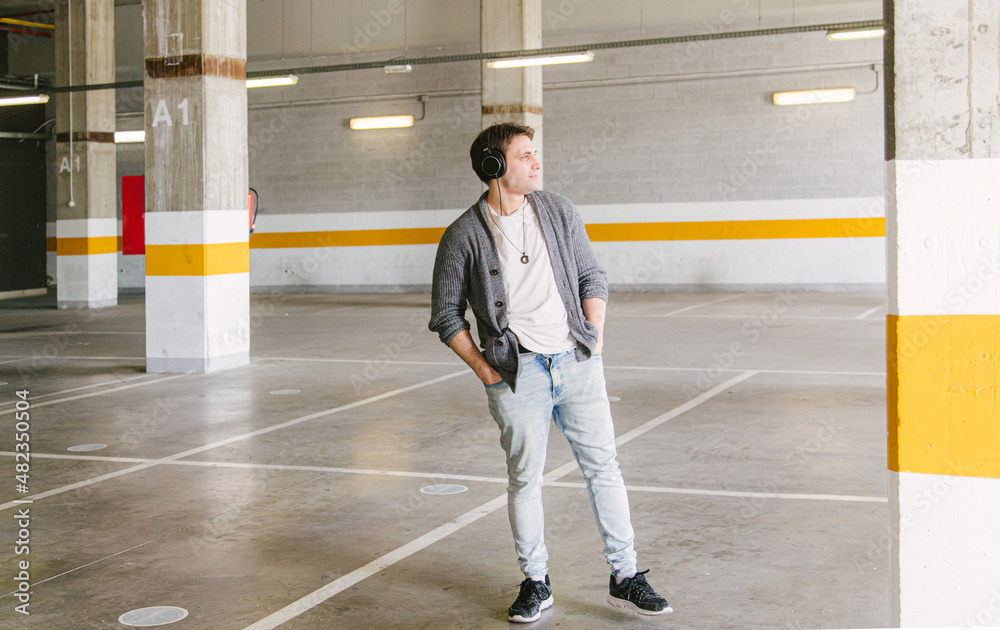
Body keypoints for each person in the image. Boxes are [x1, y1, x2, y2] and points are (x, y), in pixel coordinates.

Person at [428, 122, 671, 623]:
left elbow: (591, 273)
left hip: (577, 363)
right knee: (525, 479)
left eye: (535, 153)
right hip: (518, 377)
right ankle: (536, 582)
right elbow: (445, 314)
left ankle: (625, 576)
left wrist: (595, 333)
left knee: (604, 468)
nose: (536, 163)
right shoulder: (462, 236)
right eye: (524, 155)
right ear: (495, 167)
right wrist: (484, 370)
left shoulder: (559, 211)